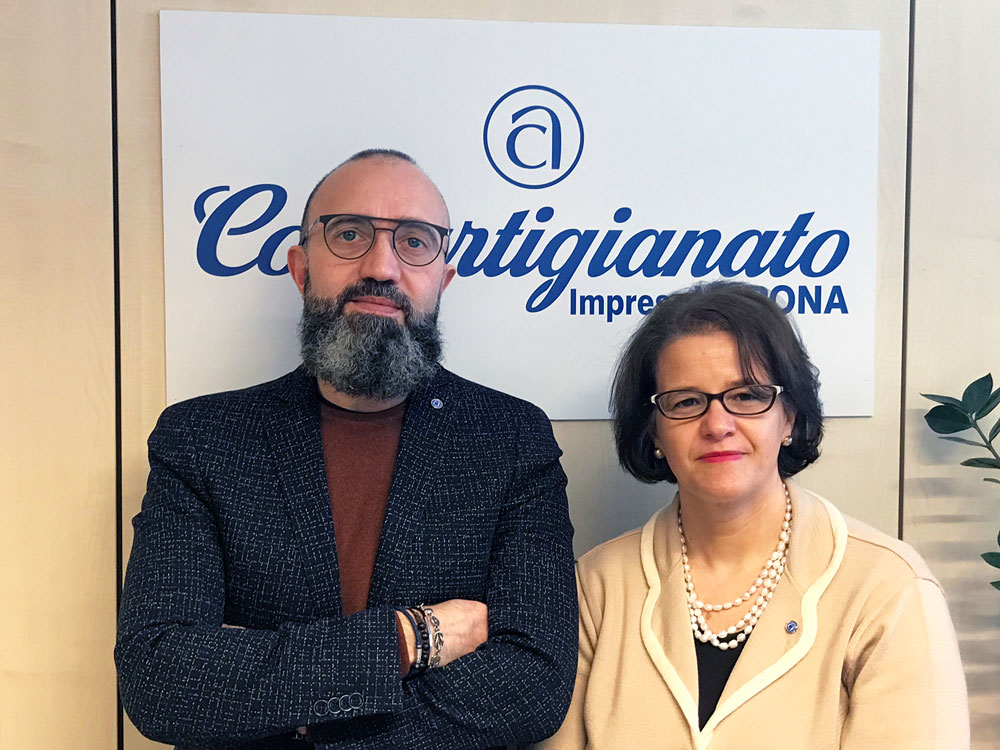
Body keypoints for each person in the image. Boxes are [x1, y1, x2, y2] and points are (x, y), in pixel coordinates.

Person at [116, 148, 577, 749]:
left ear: (443, 281)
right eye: (351, 234)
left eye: (414, 241)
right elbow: (161, 680)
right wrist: (413, 638)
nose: (381, 267)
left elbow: (533, 688)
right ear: (301, 268)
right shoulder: (203, 439)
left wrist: (292, 708)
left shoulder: (511, 439)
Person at [538, 281, 968, 749]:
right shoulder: (596, 587)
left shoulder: (888, 587)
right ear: (654, 432)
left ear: (789, 418)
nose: (717, 425)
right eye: (686, 402)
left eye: (746, 395)